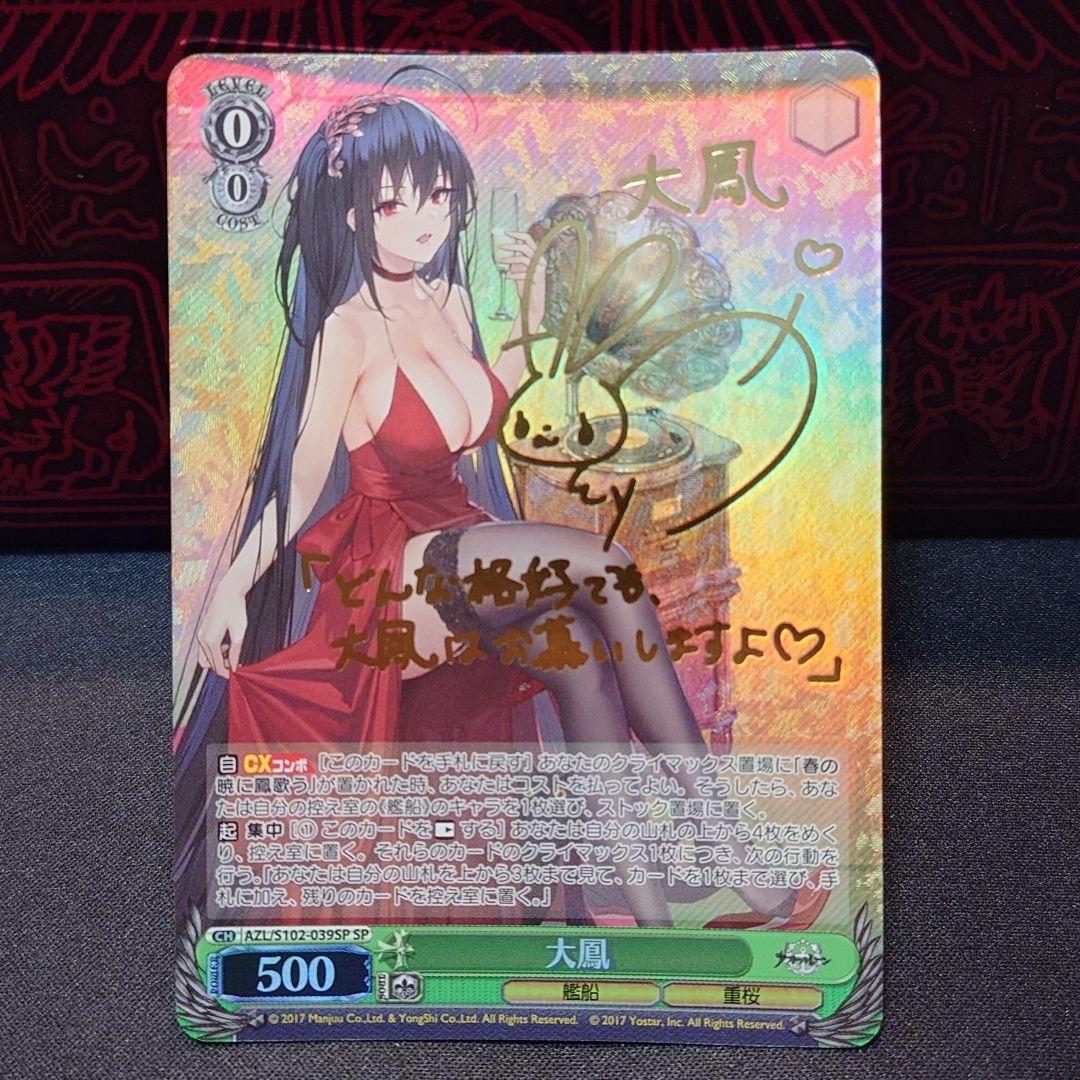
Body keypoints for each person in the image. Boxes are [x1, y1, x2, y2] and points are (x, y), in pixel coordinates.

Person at [174, 69, 806, 932]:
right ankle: (726, 843)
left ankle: (654, 929)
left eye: (438, 196)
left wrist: (531, 310)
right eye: (394, 203)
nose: (424, 220)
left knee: (583, 660)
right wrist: (232, 587)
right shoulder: (346, 329)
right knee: (607, 569)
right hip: (391, 577)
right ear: (354, 214)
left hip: (462, 541)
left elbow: (489, 402)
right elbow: (299, 479)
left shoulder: (451, 297)